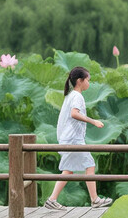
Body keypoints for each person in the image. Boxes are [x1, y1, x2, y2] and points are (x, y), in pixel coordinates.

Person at [44, 66, 113, 210]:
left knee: (70, 170)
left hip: (69, 138)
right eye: (88, 80)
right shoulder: (76, 96)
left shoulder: (70, 95)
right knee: (89, 165)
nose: (89, 83)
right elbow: (74, 114)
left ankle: (52, 199)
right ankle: (95, 200)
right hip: (73, 139)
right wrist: (93, 121)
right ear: (80, 81)